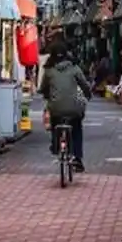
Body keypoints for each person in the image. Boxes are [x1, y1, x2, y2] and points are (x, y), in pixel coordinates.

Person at [39, 39, 91, 172]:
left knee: (55, 122)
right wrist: (87, 94)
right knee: (77, 128)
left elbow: (43, 88)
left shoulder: (49, 70)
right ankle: (77, 158)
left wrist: (46, 95)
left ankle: (56, 146)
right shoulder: (74, 68)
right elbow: (84, 85)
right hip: (74, 108)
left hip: (56, 108)